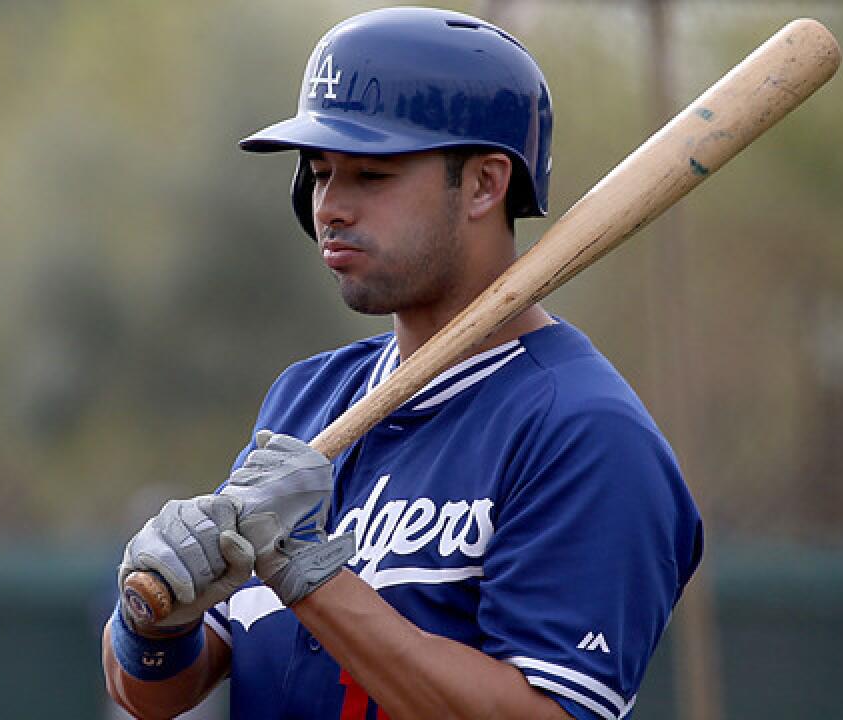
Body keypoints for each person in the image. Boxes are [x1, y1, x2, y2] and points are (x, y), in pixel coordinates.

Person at [102, 7, 702, 719]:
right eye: (322, 173)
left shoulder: (583, 431)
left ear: (485, 183)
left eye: (372, 174)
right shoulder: (309, 398)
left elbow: (545, 712)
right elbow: (153, 695)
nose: (331, 206)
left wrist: (311, 575)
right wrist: (152, 625)